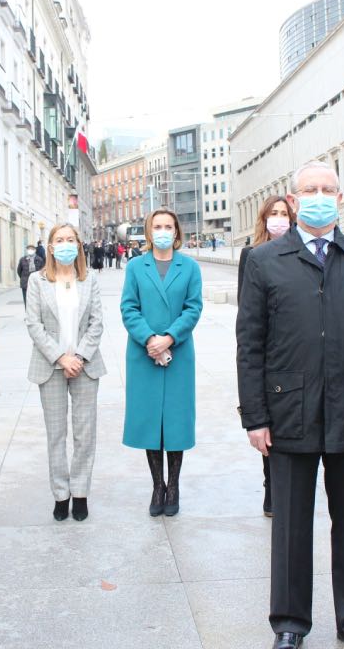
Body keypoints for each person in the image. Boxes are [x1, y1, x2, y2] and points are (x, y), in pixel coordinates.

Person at [237, 161, 344, 649]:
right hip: (289, 411)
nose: (318, 196)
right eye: (309, 189)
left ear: (341, 197)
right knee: (290, 524)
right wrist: (255, 417)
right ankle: (290, 623)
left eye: (327, 189)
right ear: (292, 198)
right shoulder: (266, 261)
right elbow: (250, 344)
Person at [121, 208, 203, 518]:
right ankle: (158, 485)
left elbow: (193, 308)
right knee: (150, 420)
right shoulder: (135, 267)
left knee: (176, 420)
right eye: (158, 226)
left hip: (178, 353)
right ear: (149, 231)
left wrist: (169, 337)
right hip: (144, 354)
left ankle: (175, 485)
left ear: (177, 231)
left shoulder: (190, 267)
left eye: (168, 226)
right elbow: (129, 307)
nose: (163, 230)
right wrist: (149, 339)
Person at [25, 224, 107, 522]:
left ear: (79, 245)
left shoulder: (90, 279)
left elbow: (97, 322)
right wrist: (61, 357)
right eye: (59, 240)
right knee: (56, 435)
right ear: (49, 246)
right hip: (50, 366)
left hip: (85, 365)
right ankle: (61, 494)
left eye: (70, 239)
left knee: (85, 434)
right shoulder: (37, 281)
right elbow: (33, 324)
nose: (65, 244)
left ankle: (81, 492)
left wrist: (80, 356)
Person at [237, 194, 295, 517]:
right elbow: (246, 309)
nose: (278, 218)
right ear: (264, 218)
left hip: (295, 349)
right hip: (269, 351)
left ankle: (286, 488)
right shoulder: (253, 255)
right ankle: (270, 488)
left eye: (284, 213)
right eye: (273, 213)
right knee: (267, 423)